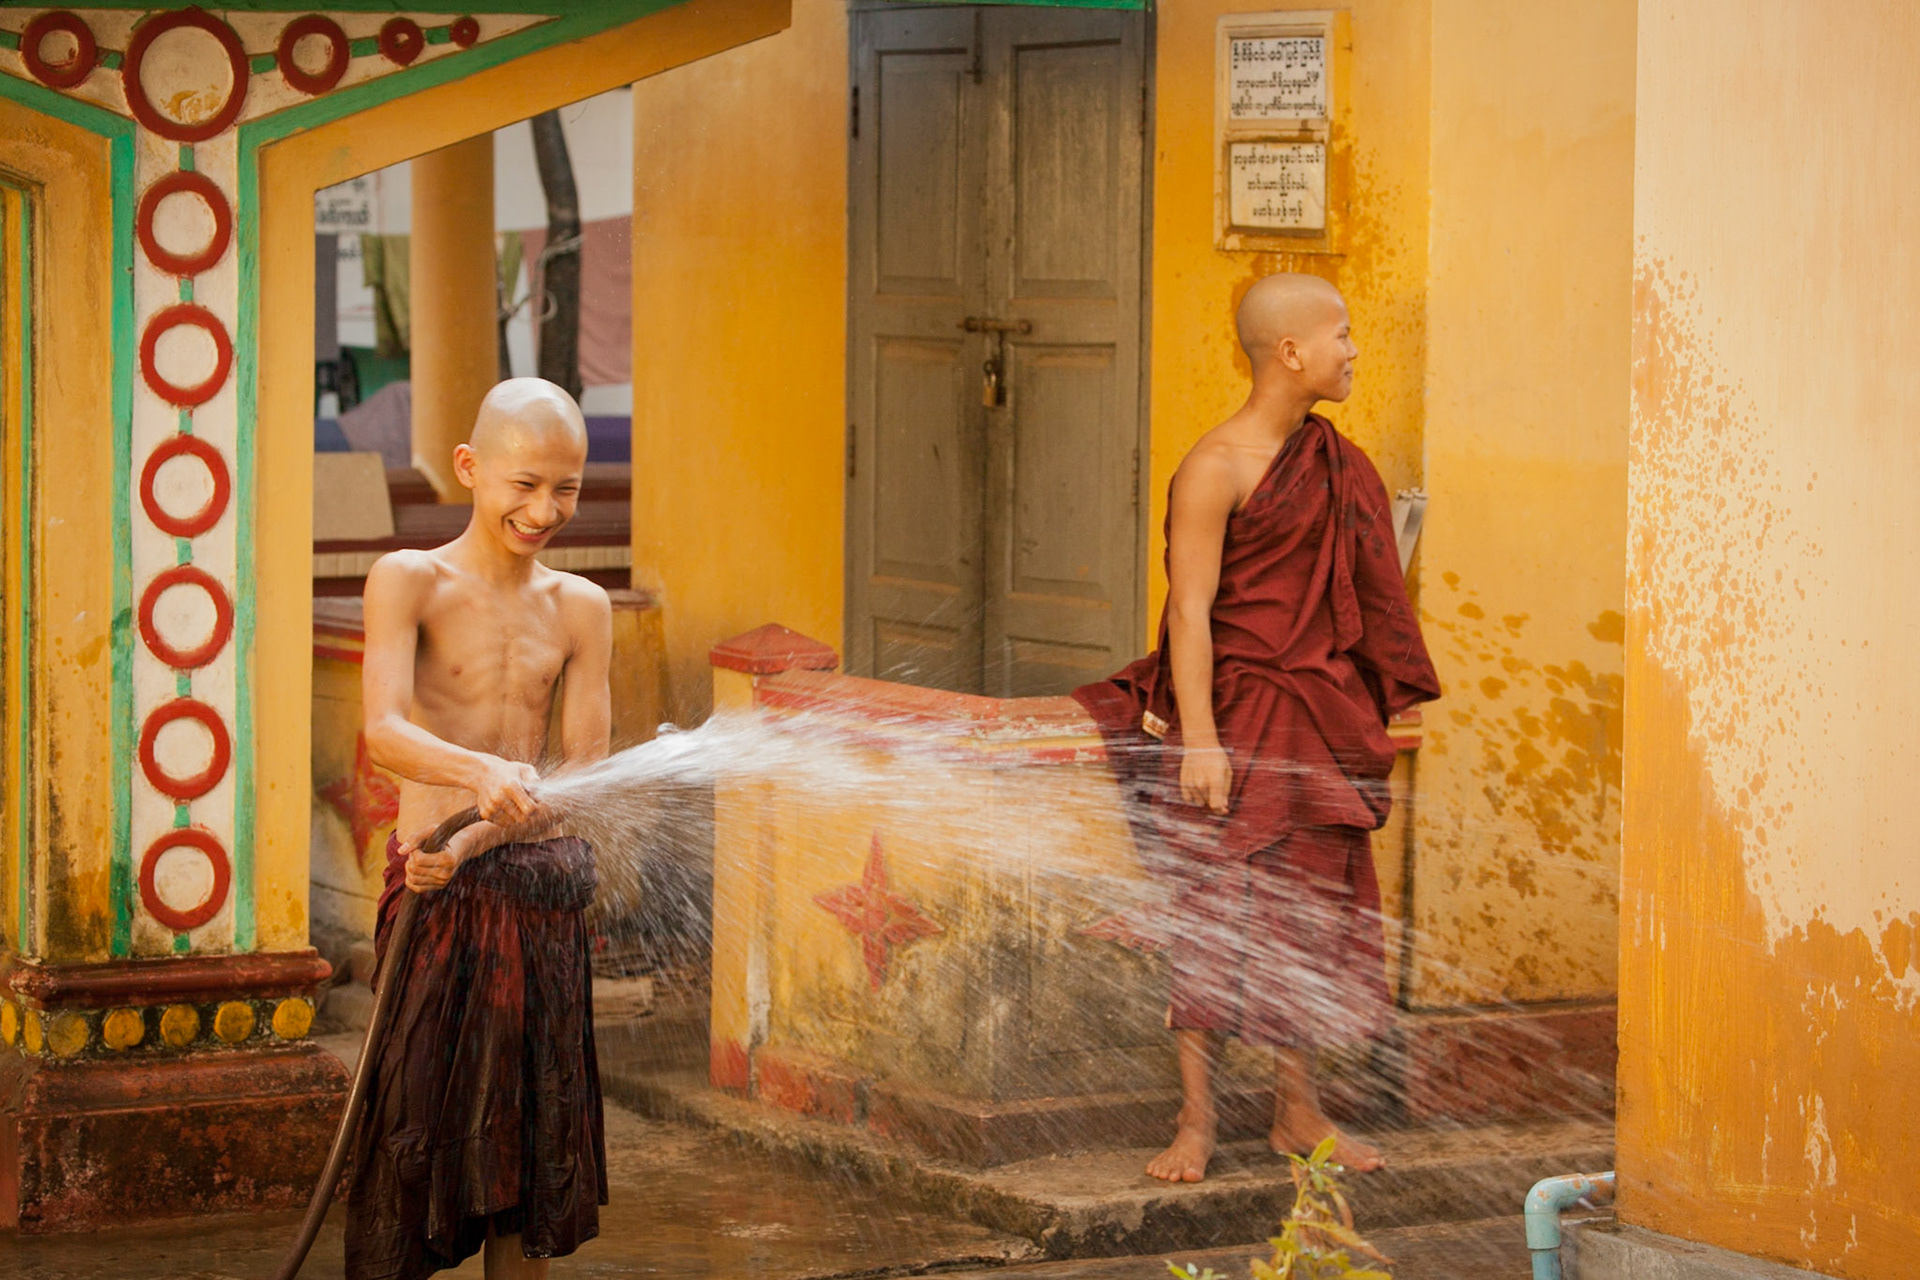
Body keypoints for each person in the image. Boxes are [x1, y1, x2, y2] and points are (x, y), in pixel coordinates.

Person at [1074, 273, 1440, 1184]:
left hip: (1316, 716)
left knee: (1306, 918)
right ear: (1291, 353)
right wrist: (1199, 736)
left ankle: (1297, 1112)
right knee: (1213, 915)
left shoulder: (1342, 464)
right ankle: (1195, 1121)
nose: (1354, 349)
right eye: (1342, 334)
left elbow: (1354, 592)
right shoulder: (1215, 467)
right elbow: (1189, 613)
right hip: (1237, 717)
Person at [348, 377, 614, 1279]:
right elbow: (384, 731)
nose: (545, 510)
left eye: (567, 489)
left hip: (534, 902)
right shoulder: (408, 580)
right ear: (471, 468)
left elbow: (580, 776)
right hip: (434, 898)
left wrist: (497, 823)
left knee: (529, 1152)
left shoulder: (582, 608)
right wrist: (477, 777)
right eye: (525, 483)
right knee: (410, 1138)